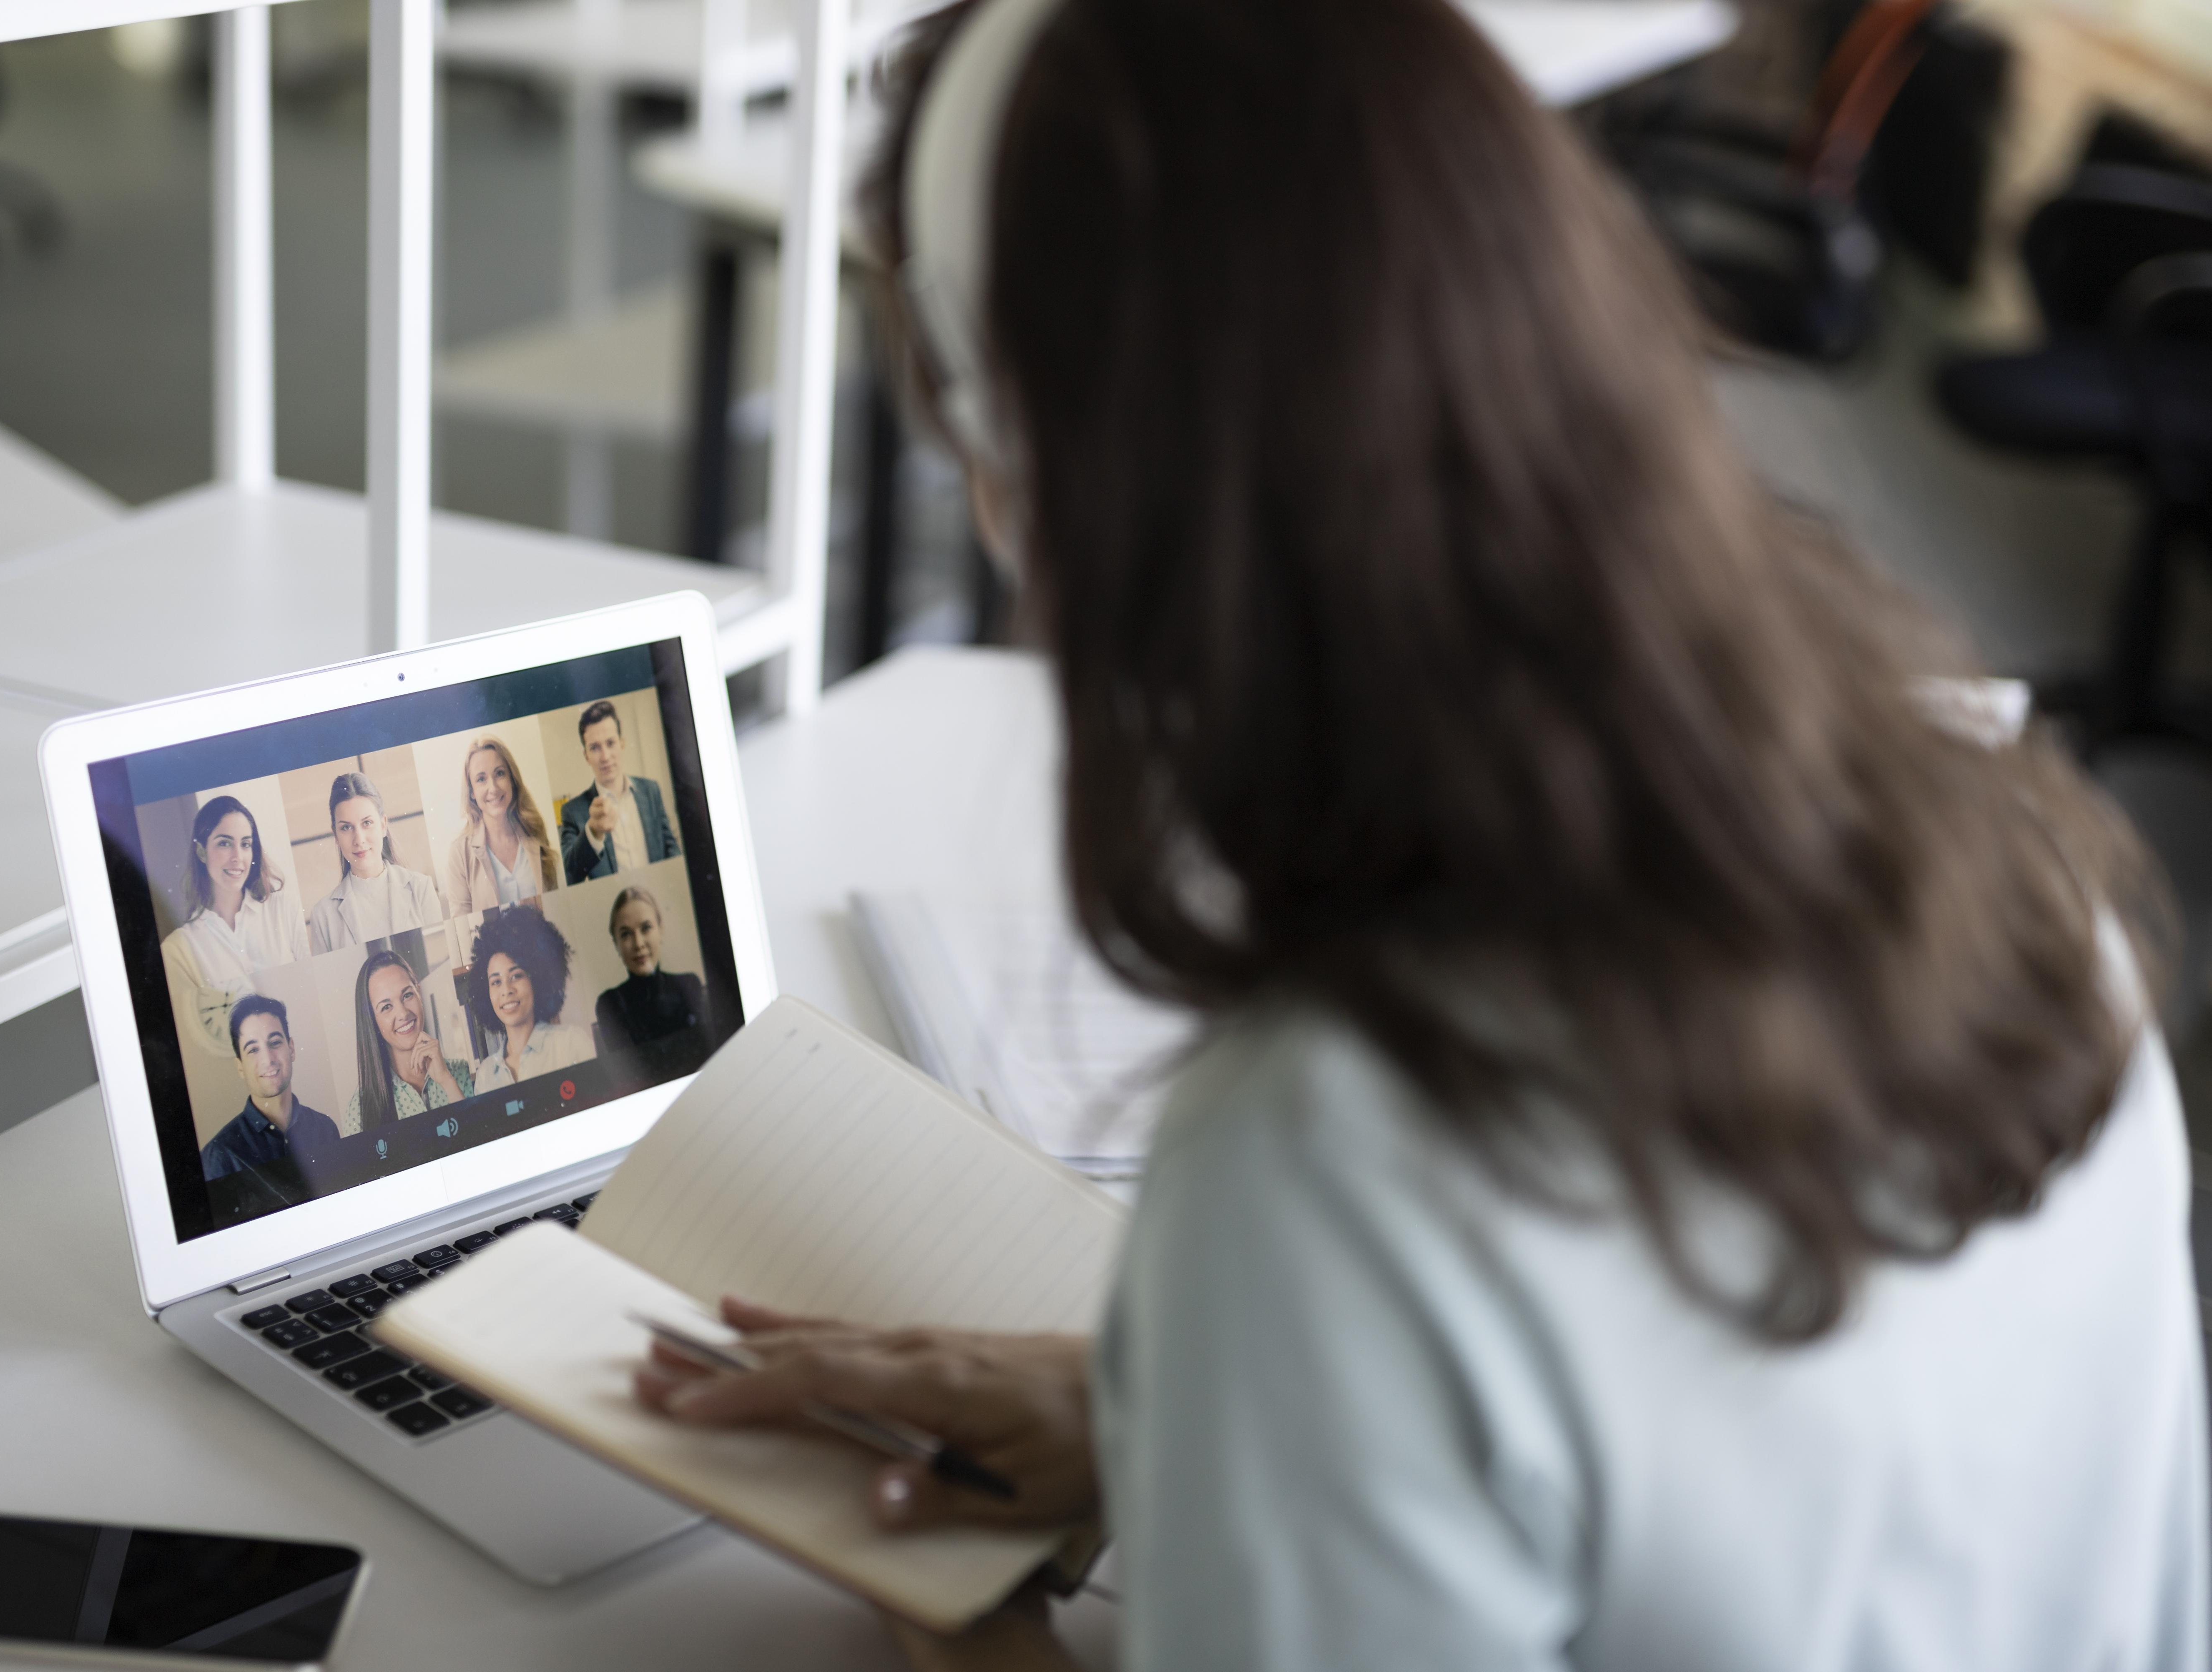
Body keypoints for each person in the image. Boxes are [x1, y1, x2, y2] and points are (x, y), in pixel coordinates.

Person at [633, 3, 2207, 1671]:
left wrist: (966, 1633)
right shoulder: (1999, 841)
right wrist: (1185, 1412)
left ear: (1044, 486)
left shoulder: (1347, 1153)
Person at [160, 794, 308, 1059]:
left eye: (246, 844)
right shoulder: (182, 949)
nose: (238, 858)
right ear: (201, 851)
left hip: (307, 1048)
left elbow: (311, 987)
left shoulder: (283, 909)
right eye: (225, 844)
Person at [199, 995, 341, 1206]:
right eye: (253, 1050)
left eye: (275, 1043)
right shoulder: (218, 1158)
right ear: (240, 1066)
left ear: (291, 1049)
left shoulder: (325, 1129)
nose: (268, 1060)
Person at [306, 771, 445, 955]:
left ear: (383, 825)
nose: (359, 840)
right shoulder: (323, 916)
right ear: (336, 836)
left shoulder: (421, 889)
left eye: (367, 823)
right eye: (346, 828)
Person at [592, 885, 713, 1084]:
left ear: (661, 930)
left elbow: (705, 1059)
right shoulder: (610, 1005)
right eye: (626, 934)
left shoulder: (689, 985)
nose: (638, 943)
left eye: (646, 928)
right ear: (616, 944)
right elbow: (631, 1076)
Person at [467, 904, 595, 1092]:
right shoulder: (485, 1076)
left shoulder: (571, 1044)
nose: (507, 990)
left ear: (537, 980)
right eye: (496, 982)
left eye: (517, 976)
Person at [347, 949, 476, 1130]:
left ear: (419, 993)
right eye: (386, 1007)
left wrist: (447, 1081)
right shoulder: (359, 1110)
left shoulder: (459, 1072)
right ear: (372, 1021)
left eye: (407, 995)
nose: (403, 1013)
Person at [557, 700, 679, 883]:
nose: (605, 757)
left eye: (610, 743)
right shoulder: (573, 812)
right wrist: (593, 832)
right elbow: (569, 876)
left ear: (622, 744)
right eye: (595, 748)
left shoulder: (651, 791)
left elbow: (671, 849)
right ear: (586, 756)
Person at [444, 736, 563, 918]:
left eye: (500, 774)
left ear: (512, 780)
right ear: (472, 793)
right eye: (481, 779)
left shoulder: (535, 831)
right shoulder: (459, 854)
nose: (493, 788)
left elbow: (557, 908)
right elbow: (465, 929)